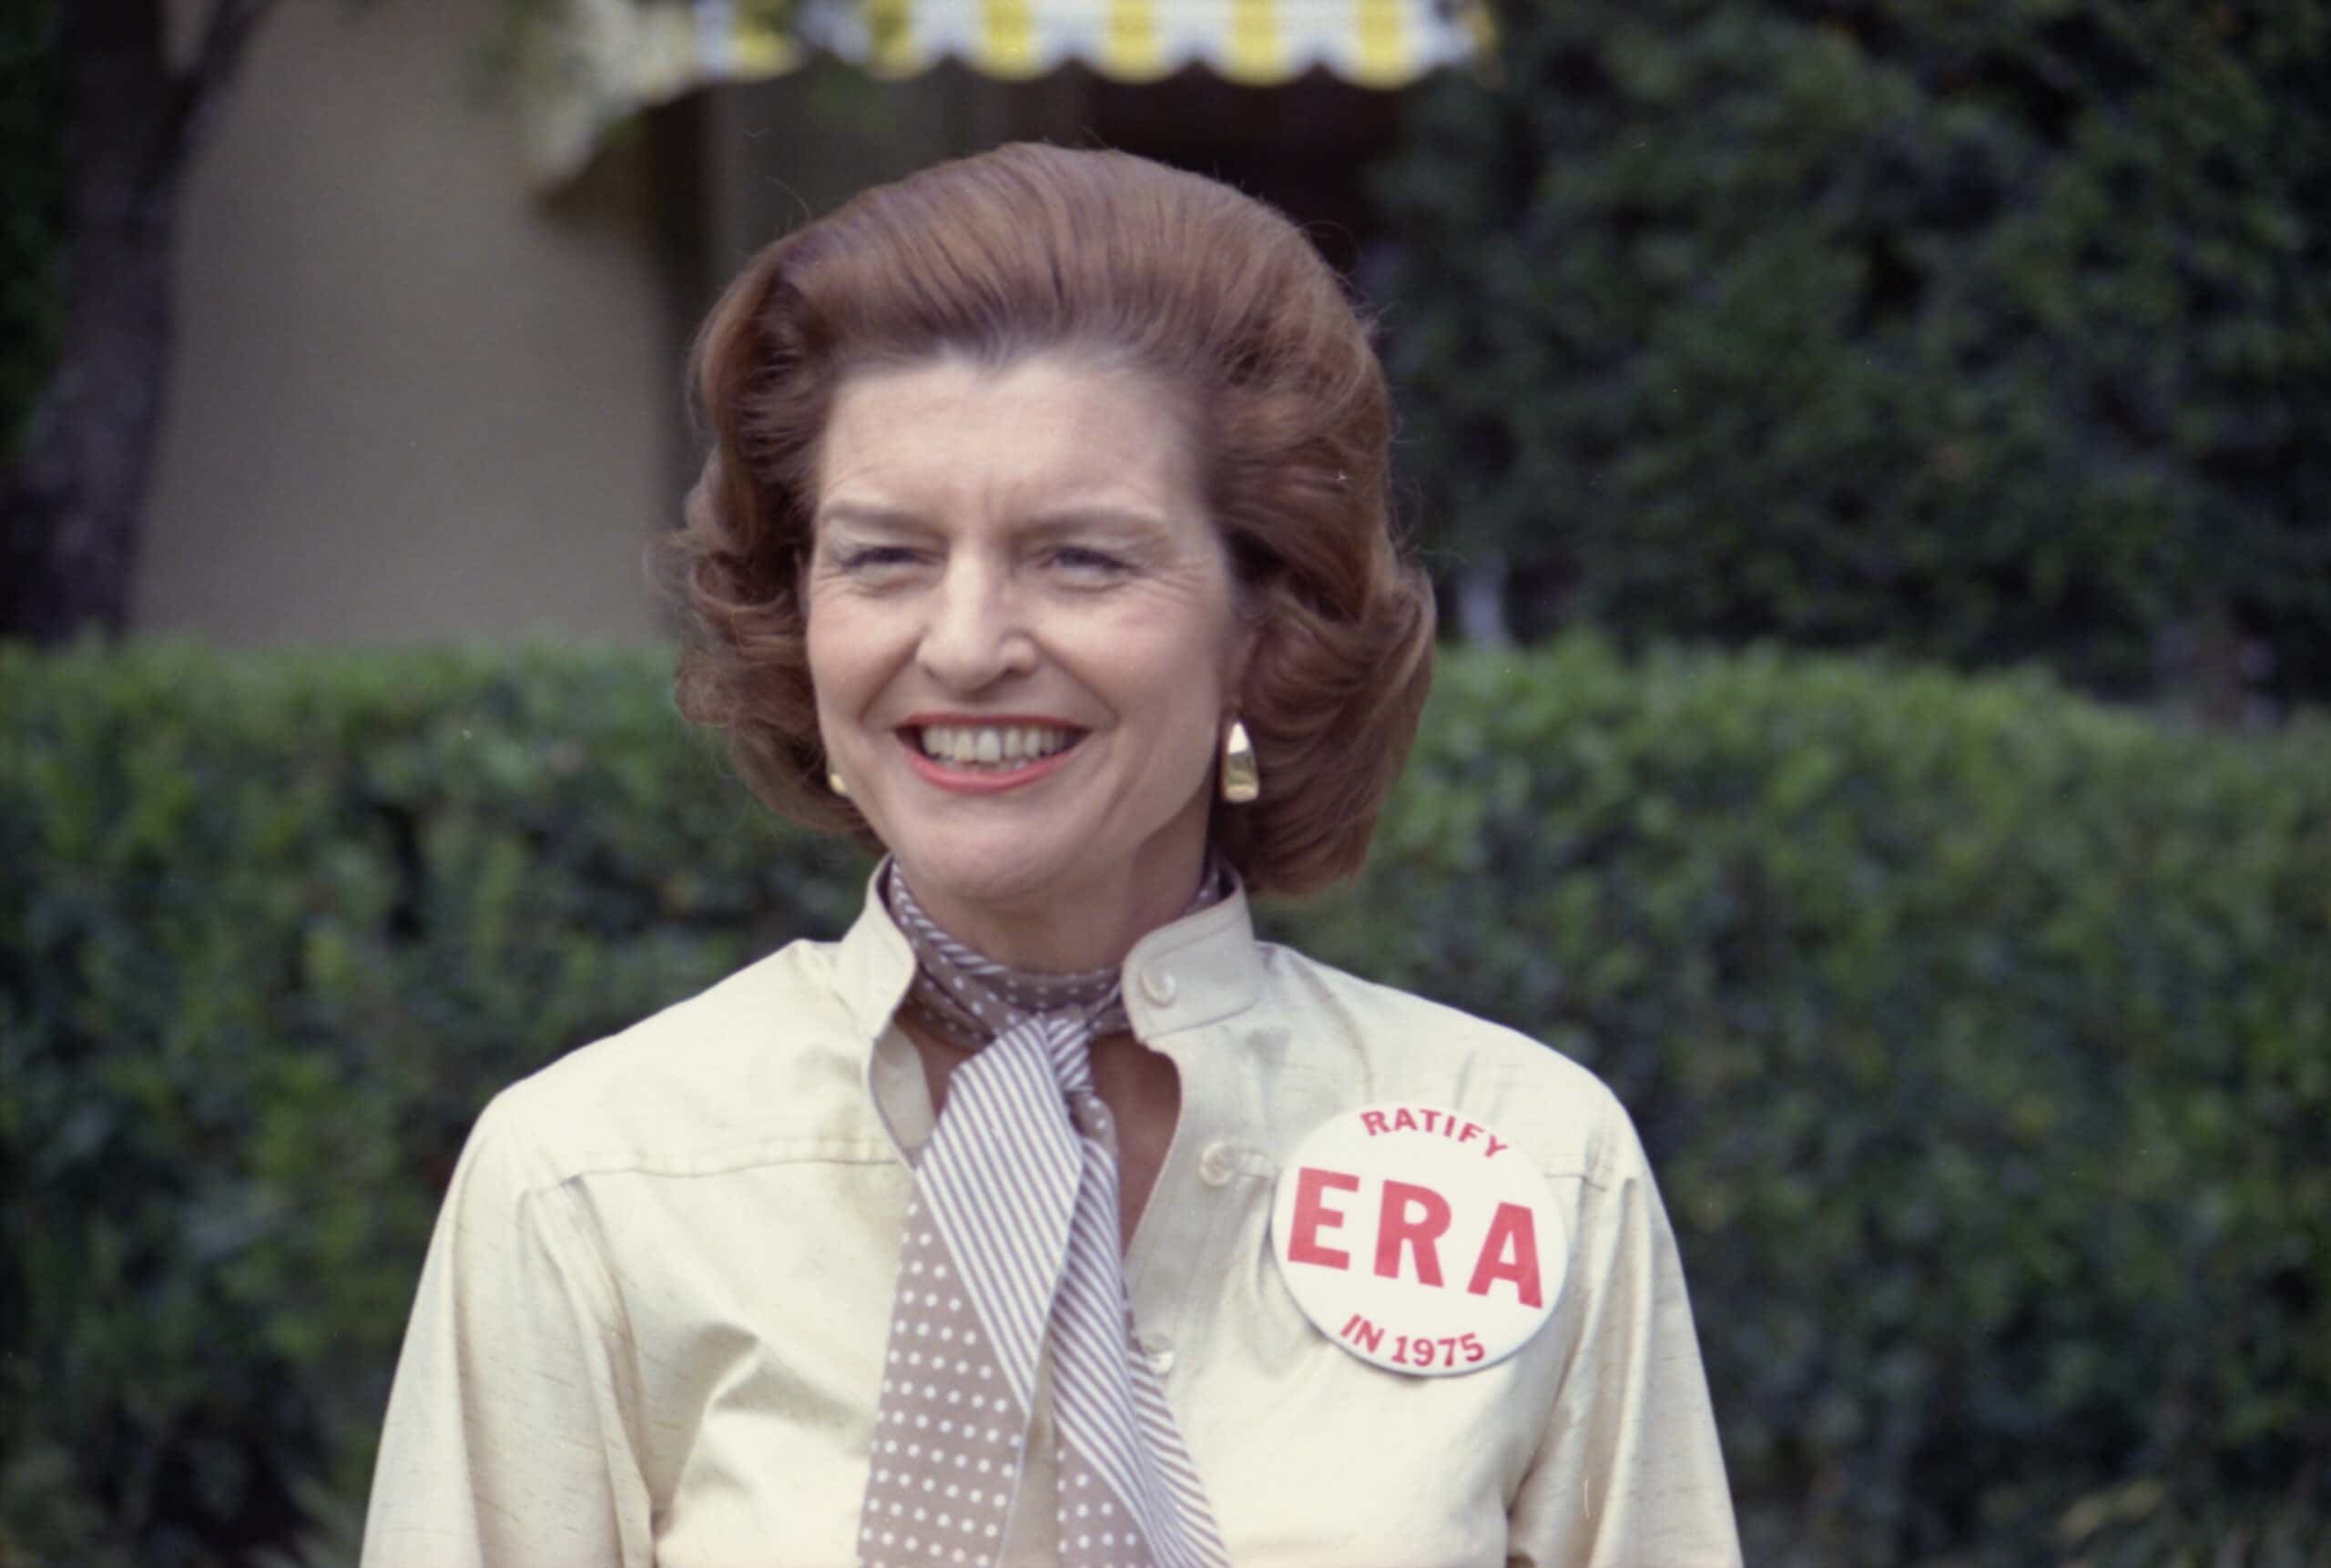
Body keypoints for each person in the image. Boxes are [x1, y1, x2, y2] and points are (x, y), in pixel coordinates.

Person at [361, 143, 1741, 1568]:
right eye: (884, 556)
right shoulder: (592, 1179)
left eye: (1081, 557)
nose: (963, 645)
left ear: (1263, 623)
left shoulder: (1532, 1161)